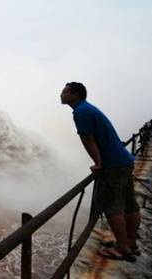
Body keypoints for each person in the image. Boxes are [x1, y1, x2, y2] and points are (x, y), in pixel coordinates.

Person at [60, 82, 140, 262]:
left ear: (75, 94)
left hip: (113, 165)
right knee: (130, 204)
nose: (61, 95)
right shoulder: (88, 109)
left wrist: (98, 163)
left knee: (112, 208)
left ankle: (122, 249)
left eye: (65, 92)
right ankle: (131, 243)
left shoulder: (81, 112)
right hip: (124, 160)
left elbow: (88, 139)